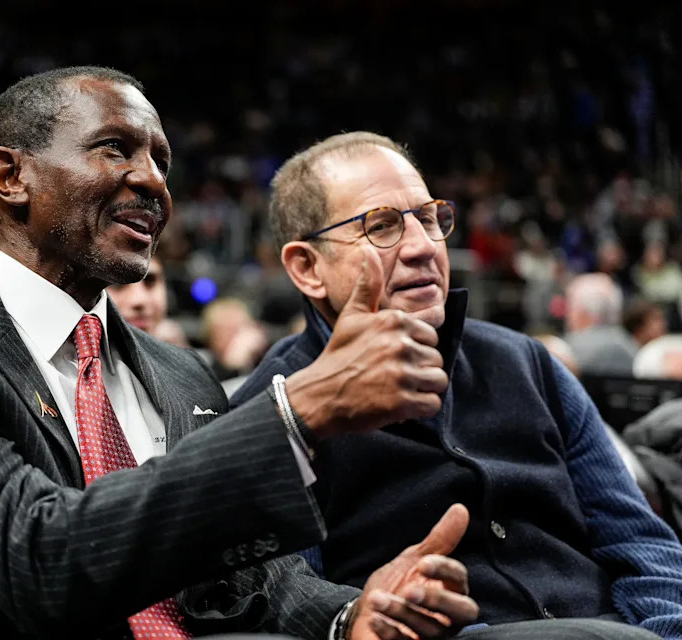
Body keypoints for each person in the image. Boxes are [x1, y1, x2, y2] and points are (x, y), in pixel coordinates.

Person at [0, 67, 481, 640]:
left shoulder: (178, 371)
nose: (153, 183)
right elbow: (33, 563)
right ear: (10, 175)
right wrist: (294, 412)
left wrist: (354, 616)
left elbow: (245, 578)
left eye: (162, 161)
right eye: (116, 149)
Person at [232, 131, 682, 639]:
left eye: (429, 219)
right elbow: (294, 594)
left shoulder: (531, 363)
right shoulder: (276, 412)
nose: (424, 247)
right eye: (382, 227)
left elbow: (645, 549)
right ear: (307, 268)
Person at [563, 273, 638, 376]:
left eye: (571, 308)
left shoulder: (567, 351)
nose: (566, 314)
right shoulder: (629, 344)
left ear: (584, 313)